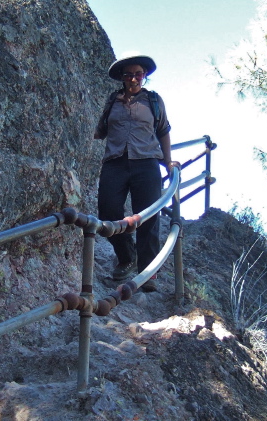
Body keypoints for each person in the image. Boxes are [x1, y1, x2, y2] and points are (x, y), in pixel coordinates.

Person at [94, 55, 179, 292]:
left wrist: (168, 161)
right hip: (115, 161)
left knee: (148, 216)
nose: (133, 78)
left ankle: (147, 271)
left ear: (145, 76)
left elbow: (163, 130)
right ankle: (126, 256)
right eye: (129, 74)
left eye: (138, 74)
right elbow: (100, 130)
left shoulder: (153, 100)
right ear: (122, 77)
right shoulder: (113, 101)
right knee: (108, 213)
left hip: (146, 162)